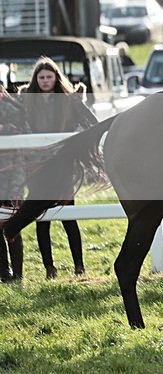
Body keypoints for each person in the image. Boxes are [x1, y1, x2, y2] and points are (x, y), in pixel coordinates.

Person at [19, 56, 98, 279]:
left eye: (49, 76)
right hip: (36, 166)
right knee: (41, 217)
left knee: (68, 216)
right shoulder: (26, 98)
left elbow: (89, 120)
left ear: (56, 77)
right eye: (41, 77)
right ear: (36, 79)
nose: (45, 81)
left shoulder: (68, 99)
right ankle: (49, 268)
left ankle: (79, 267)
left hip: (63, 165)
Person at [0, 84, 28, 282]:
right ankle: (4, 273)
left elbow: (23, 136)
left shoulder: (15, 109)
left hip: (11, 175)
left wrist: (4, 129)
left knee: (13, 225)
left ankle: (17, 274)